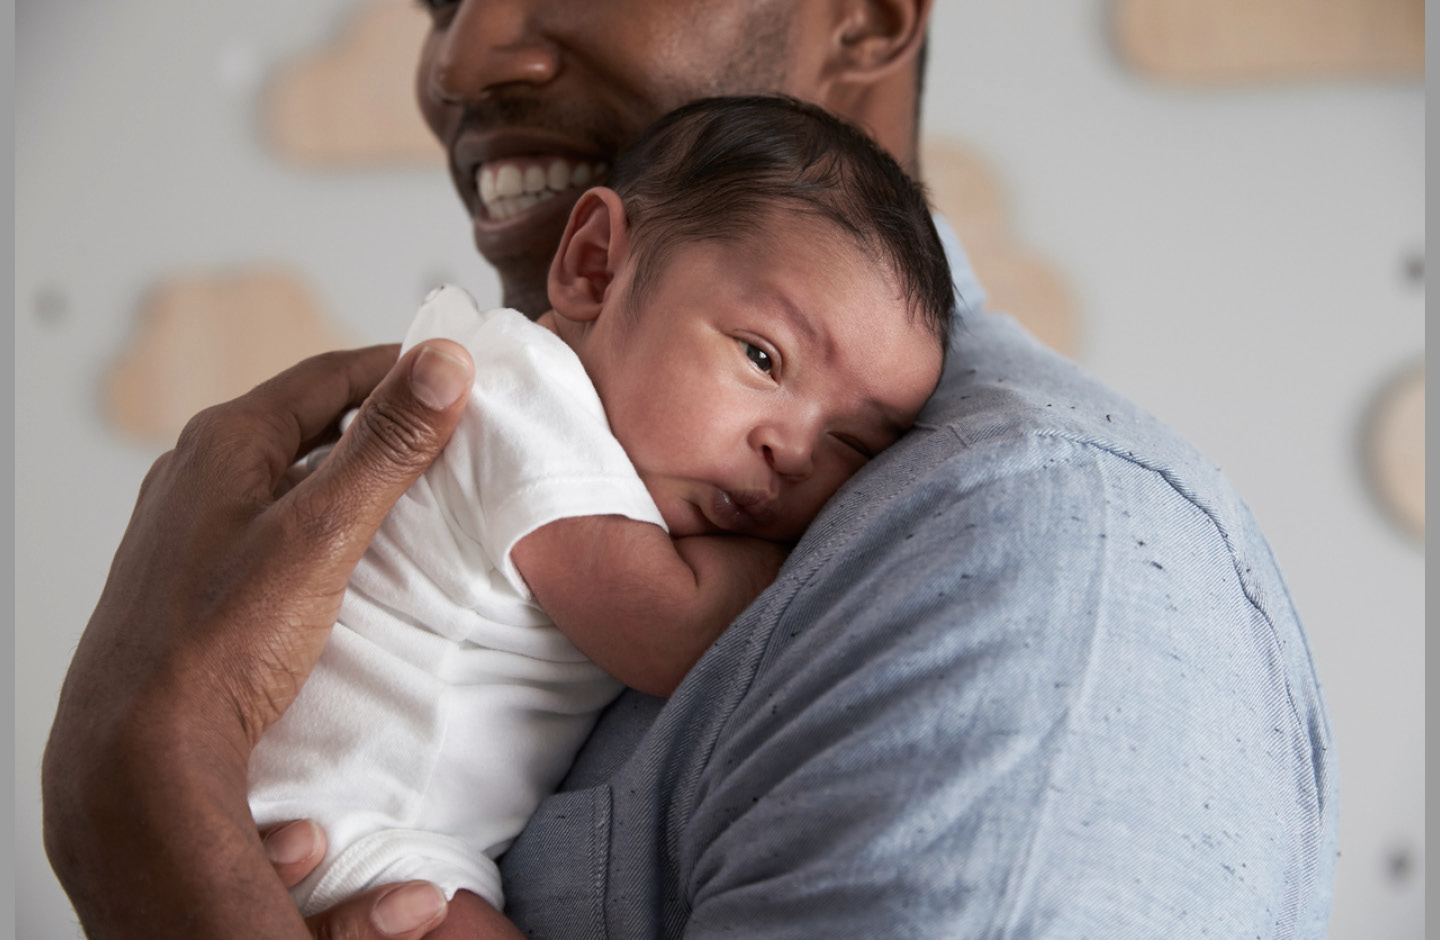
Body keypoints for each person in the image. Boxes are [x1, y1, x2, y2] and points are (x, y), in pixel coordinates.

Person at [41, 2, 1338, 938]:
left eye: (856, 444)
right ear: (597, 267)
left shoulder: (1041, 559)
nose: (461, 53)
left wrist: (151, 824)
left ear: (868, 18)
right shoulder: (568, 430)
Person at [246, 94, 952, 935]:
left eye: (855, 445)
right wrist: (830, 550)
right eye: (763, 357)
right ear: (594, 268)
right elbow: (676, 629)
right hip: (339, 825)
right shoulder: (523, 405)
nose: (794, 453)